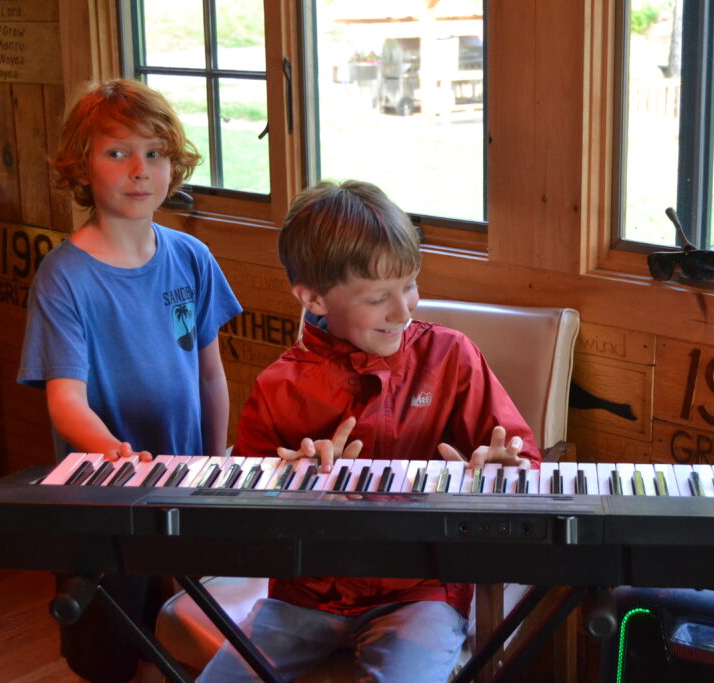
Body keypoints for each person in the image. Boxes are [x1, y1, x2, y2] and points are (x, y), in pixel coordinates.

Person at [198, 180, 540, 683]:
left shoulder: (451, 357)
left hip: (420, 594)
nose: (404, 311)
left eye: (410, 285)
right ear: (312, 296)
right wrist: (287, 483)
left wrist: (505, 472)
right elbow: (244, 515)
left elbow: (526, 463)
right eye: (380, 297)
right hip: (303, 596)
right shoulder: (278, 385)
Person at [17, 79, 242, 683]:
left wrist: (218, 460)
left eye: (156, 153)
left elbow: (209, 372)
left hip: (188, 481)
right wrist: (117, 456)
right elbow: (66, 402)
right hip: (107, 491)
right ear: (80, 169)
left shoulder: (191, 257)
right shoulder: (65, 277)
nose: (140, 170)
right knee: (111, 645)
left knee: (195, 628)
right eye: (117, 153)